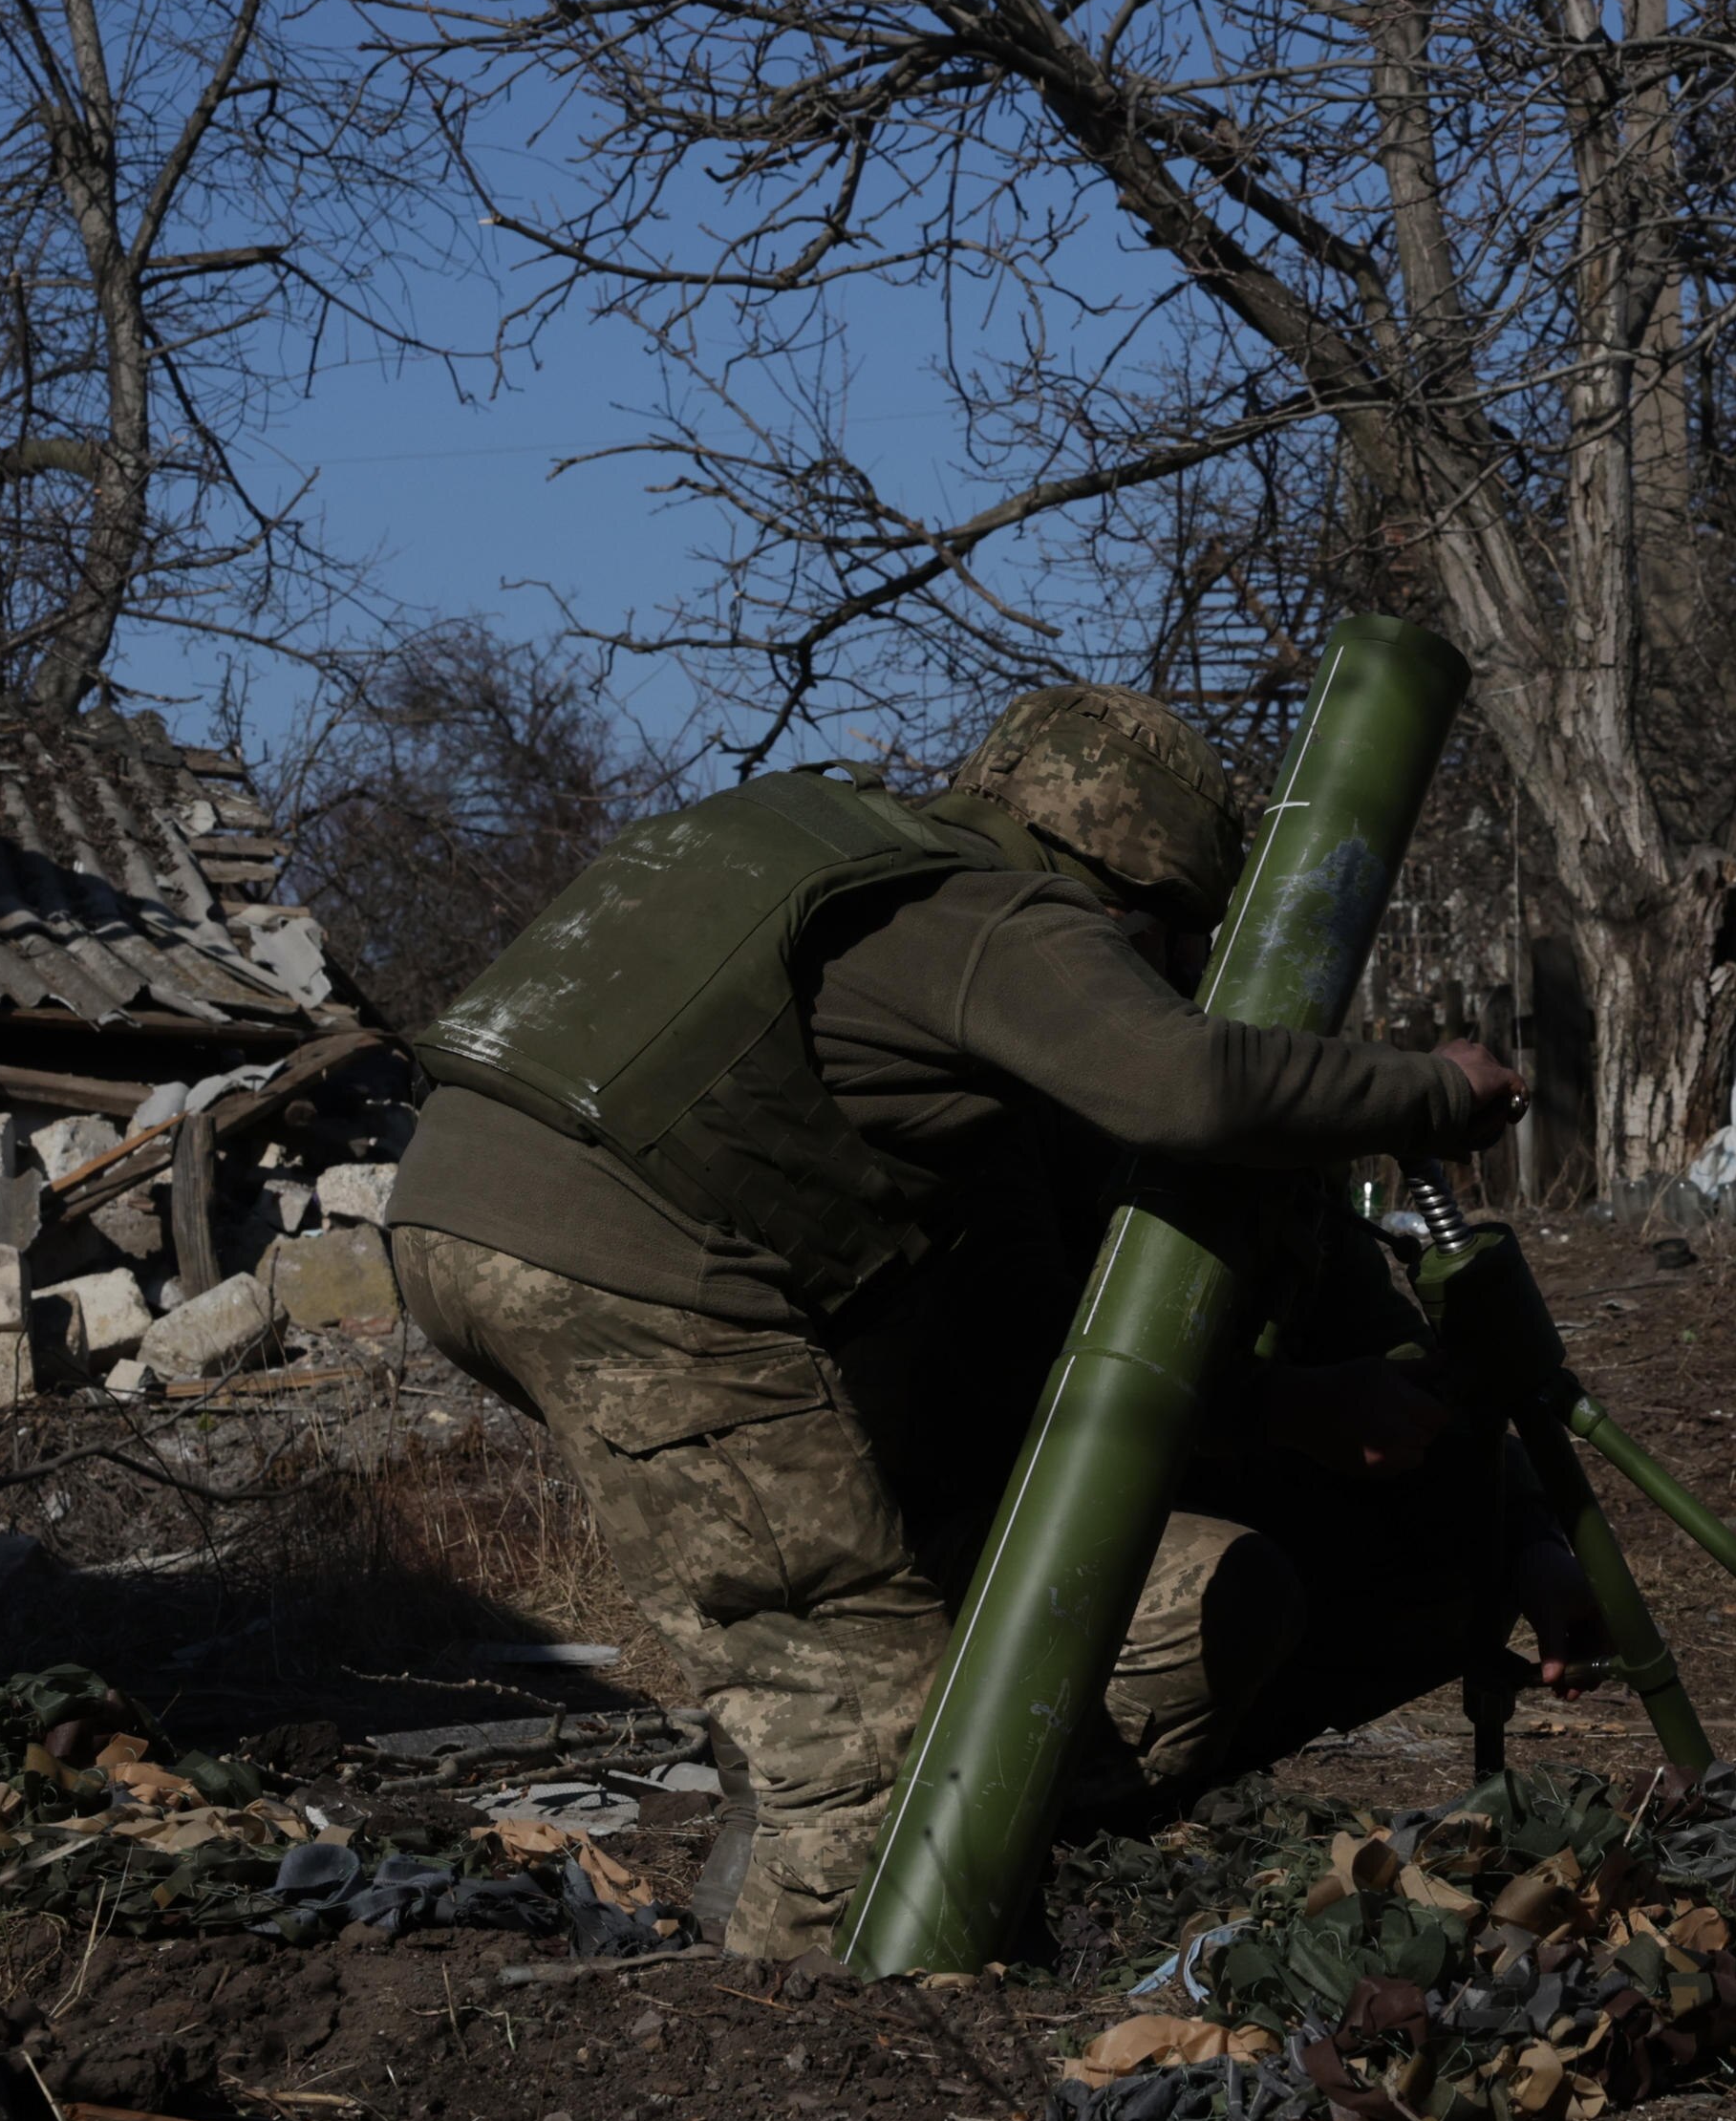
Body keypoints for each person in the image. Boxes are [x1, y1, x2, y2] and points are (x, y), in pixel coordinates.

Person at [388, 682, 1552, 1958]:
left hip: (451, 1205)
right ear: (1131, 901)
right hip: (631, 1255)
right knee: (870, 1727)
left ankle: (795, 1888)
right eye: (1169, 950)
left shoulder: (834, 855)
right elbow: (1185, 1081)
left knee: (813, 1663)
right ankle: (828, 2025)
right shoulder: (999, 914)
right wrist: (1427, 1090)